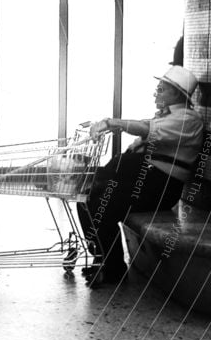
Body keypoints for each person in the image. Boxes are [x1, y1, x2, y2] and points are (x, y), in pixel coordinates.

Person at [78, 65, 204, 286]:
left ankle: (114, 269)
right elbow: (145, 132)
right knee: (85, 197)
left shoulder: (187, 120)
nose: (156, 93)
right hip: (146, 181)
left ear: (176, 93)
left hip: (160, 188)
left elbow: (146, 129)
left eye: (161, 89)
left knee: (102, 205)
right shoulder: (169, 117)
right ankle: (102, 257)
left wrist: (112, 122)